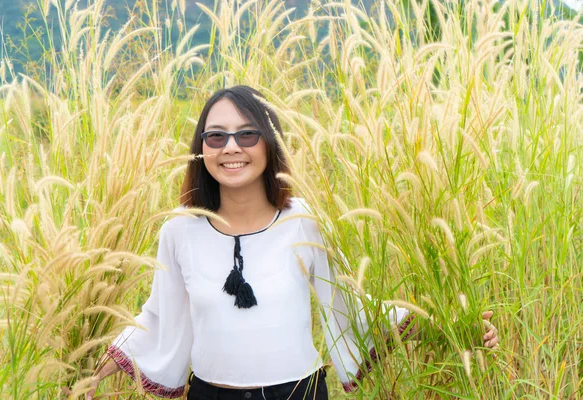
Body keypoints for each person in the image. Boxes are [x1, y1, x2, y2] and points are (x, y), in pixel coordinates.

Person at [83, 85, 499, 399]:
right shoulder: (179, 230)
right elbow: (157, 317)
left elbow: (351, 307)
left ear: (270, 142)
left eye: (247, 135)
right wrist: (87, 371)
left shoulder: (304, 220)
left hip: (297, 393)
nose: (231, 148)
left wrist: (453, 328)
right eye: (216, 137)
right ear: (201, 150)